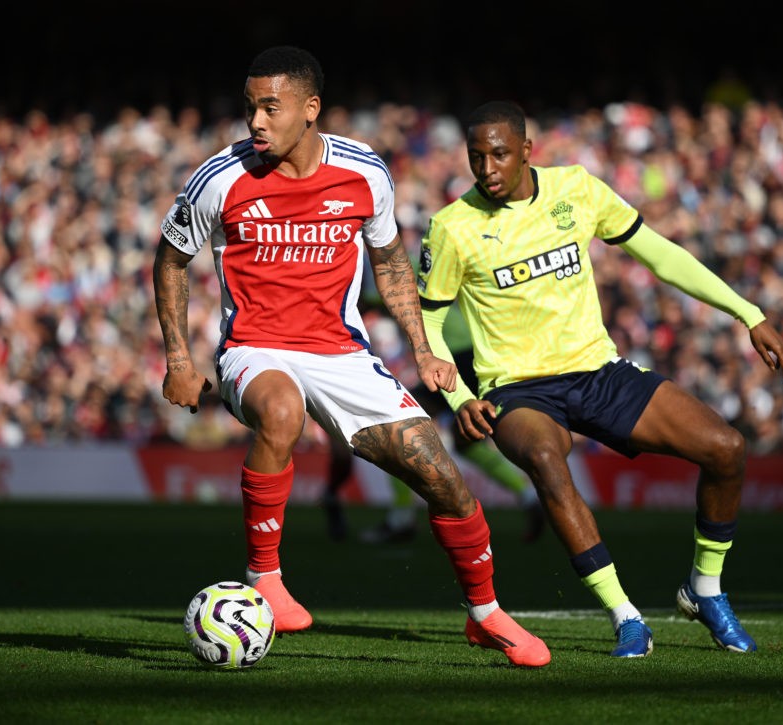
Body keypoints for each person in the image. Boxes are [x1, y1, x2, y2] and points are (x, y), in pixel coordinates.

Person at [152, 49, 549, 667]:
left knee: (440, 474)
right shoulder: (220, 178)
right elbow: (171, 258)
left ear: (310, 110)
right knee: (281, 412)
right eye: (251, 105)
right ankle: (265, 579)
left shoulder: (365, 172)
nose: (255, 121)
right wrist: (179, 357)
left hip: (342, 353)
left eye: (270, 107)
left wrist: (423, 348)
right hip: (253, 348)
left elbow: (390, 261)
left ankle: (485, 613)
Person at [418, 100, 783, 658]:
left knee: (726, 448)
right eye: (477, 158)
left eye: (499, 154)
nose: (488, 169)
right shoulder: (453, 227)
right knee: (548, 461)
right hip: (517, 389)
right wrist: (459, 397)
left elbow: (661, 257)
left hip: (597, 369)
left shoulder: (576, 189)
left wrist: (749, 314)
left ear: (527, 150)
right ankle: (626, 616)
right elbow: (426, 322)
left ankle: (705, 590)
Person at [322, 304, 544, 545]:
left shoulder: (401, 268)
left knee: (395, 426)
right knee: (465, 443)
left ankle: (401, 519)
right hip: (476, 354)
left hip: (451, 356)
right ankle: (529, 497)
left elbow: (370, 299)